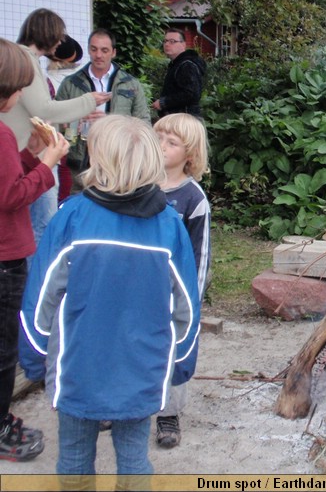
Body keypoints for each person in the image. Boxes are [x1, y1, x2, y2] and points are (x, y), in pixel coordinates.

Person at [18, 115, 200, 489]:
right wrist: (180, 362)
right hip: (143, 371)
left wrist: (35, 357)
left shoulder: (71, 217)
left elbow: (40, 299)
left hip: (77, 370)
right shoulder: (168, 226)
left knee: (73, 459)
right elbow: (187, 306)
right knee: (134, 461)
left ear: (98, 161)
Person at [0, 39, 70, 462]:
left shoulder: (9, 139)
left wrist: (29, 157)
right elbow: (11, 197)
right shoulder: (1, 132)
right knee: (4, 347)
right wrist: (48, 163)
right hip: (6, 259)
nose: (24, 95)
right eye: (21, 87)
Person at [2, 8, 111, 244]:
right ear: (48, 33)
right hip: (29, 157)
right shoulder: (25, 61)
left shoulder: (25, 59)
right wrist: (89, 100)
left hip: (26, 156)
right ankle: (36, 278)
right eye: (59, 35)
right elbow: (44, 109)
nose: (61, 41)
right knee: (42, 227)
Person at [152, 113, 211, 449]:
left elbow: (200, 255)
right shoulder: (138, 186)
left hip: (175, 294)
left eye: (171, 142)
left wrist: (192, 298)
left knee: (173, 351)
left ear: (189, 154)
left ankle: (169, 413)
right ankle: (122, 403)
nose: (161, 146)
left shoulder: (193, 199)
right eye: (158, 137)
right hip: (140, 290)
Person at [56, 28, 150, 178]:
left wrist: (109, 122)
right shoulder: (70, 83)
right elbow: (55, 123)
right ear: (88, 49)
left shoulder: (131, 84)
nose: (98, 55)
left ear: (113, 52)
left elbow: (144, 124)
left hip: (118, 160)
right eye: (94, 49)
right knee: (80, 201)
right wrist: (76, 121)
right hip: (80, 165)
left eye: (104, 50)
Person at [46, 36, 83, 203]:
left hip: (47, 139)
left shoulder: (45, 78)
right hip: (71, 135)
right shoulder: (76, 78)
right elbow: (74, 116)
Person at [152, 28, 206, 118]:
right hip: (180, 118)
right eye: (165, 41)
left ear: (183, 44)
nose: (167, 44)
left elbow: (191, 94)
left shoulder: (187, 65)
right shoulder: (177, 64)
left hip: (184, 121)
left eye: (172, 41)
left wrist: (163, 102)